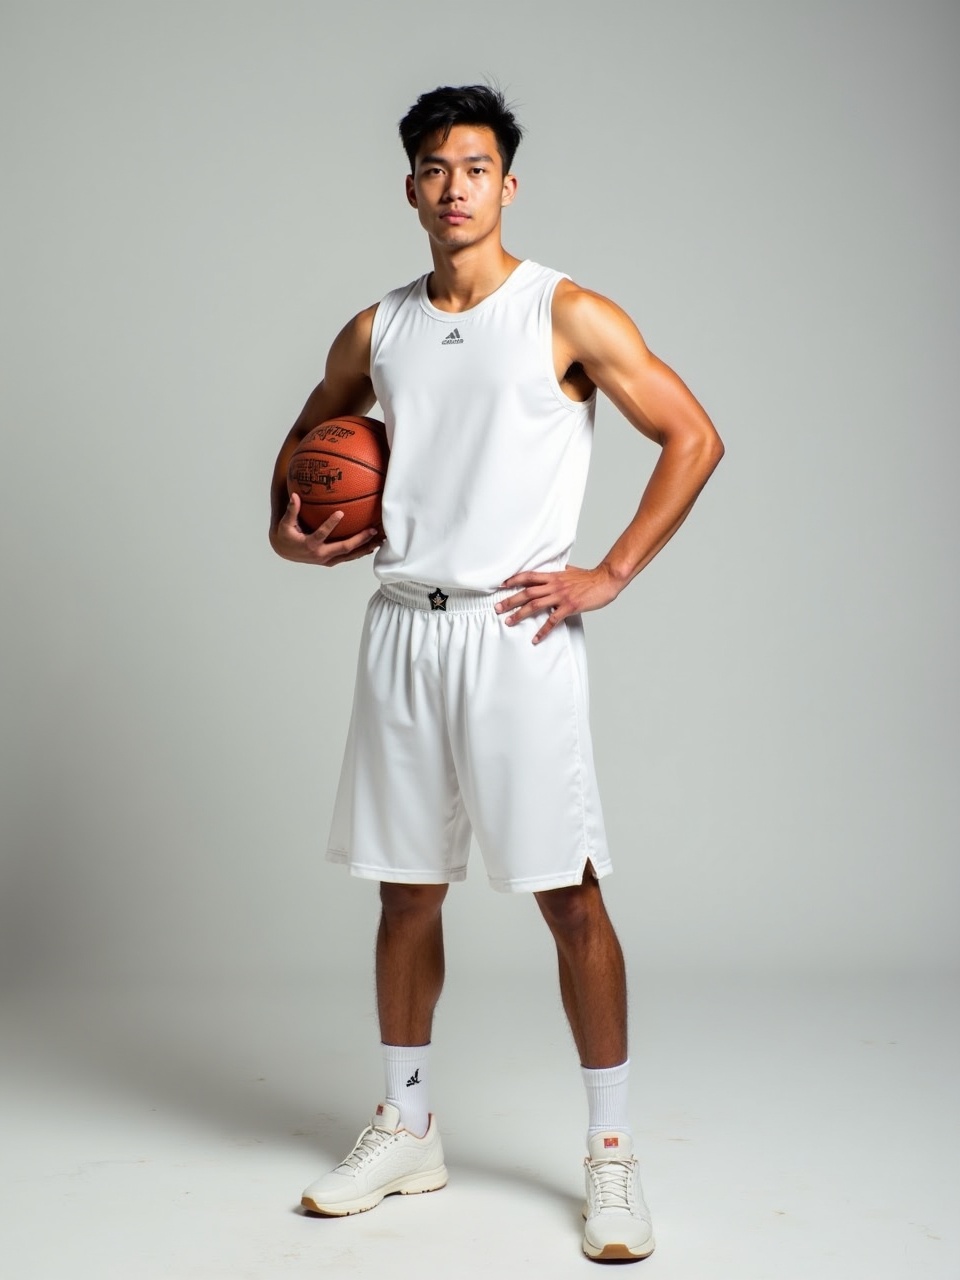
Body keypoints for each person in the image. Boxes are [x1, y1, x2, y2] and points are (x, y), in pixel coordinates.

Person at [269, 84, 723, 1263]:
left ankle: (613, 1158)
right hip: (403, 629)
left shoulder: (563, 312)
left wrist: (610, 570)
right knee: (403, 889)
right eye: (434, 166)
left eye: (476, 166)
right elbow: (307, 445)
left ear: (507, 185)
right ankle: (408, 1123)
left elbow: (693, 434)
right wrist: (290, 529)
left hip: (516, 633)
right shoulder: (378, 328)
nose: (455, 184)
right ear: (412, 187)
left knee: (568, 894)